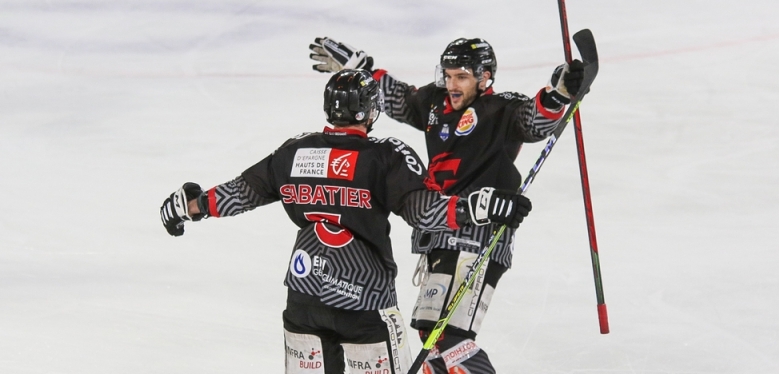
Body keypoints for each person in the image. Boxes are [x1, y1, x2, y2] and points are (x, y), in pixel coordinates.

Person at [159, 69, 532, 374]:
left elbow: (243, 191)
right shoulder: (385, 156)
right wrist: (479, 207)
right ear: (370, 111)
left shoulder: (295, 152)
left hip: (304, 298)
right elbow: (424, 212)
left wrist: (192, 206)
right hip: (364, 303)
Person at [308, 38, 585, 373]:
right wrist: (362, 70)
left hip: (479, 234)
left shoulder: (502, 109)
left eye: (462, 77)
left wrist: (557, 95)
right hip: (441, 234)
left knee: (449, 339)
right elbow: (400, 99)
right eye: (448, 75)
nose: (452, 85)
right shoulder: (434, 102)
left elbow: (535, 122)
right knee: (433, 340)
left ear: (484, 78)